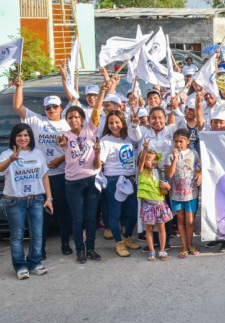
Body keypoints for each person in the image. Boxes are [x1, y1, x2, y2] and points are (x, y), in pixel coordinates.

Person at [12, 79, 71, 257]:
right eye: (48, 108)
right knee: (42, 215)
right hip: (41, 177)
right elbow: (18, 107)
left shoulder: (68, 123)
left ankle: (65, 244)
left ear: (61, 107)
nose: (52, 110)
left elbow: (76, 149)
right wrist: (19, 87)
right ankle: (41, 249)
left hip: (62, 175)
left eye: (54, 107)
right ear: (44, 109)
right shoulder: (37, 121)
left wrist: (61, 158)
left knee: (63, 213)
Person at [56, 77, 111, 264]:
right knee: (78, 218)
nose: (73, 120)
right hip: (73, 183)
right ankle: (80, 250)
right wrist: (62, 142)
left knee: (90, 218)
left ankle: (91, 250)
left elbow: (97, 110)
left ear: (82, 119)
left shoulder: (90, 130)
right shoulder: (65, 135)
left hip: (91, 180)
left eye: (76, 117)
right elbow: (61, 142)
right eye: (70, 117)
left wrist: (103, 89)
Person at [0, 124, 52, 279]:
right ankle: (20, 266)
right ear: (14, 137)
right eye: (19, 135)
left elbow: (44, 176)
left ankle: (35, 263)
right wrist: (10, 159)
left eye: (26, 135)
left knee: (37, 234)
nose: (23, 138)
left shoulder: (38, 153)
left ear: (30, 137)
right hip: (15, 202)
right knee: (17, 235)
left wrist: (49, 198)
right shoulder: (7, 154)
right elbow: (0, 169)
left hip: (36, 200)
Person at [95, 109, 140, 257]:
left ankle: (127, 237)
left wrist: (134, 124)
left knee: (133, 213)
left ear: (123, 123)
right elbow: (98, 164)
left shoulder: (129, 138)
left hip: (130, 179)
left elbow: (138, 137)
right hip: (113, 180)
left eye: (117, 122)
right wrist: (96, 153)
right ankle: (118, 242)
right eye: (111, 122)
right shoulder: (105, 141)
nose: (114, 125)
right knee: (115, 213)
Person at [165, 129, 202, 258]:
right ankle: (184, 246)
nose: (178, 144)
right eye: (176, 141)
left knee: (190, 221)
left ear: (188, 141)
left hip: (191, 194)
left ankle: (191, 244)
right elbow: (169, 174)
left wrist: (199, 174)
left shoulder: (194, 154)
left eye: (181, 141)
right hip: (176, 195)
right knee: (180, 220)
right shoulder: (170, 156)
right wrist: (175, 158)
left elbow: (199, 166)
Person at [137, 143, 173, 261]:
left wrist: (167, 187)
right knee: (149, 230)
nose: (153, 162)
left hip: (160, 204)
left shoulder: (159, 172)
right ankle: (152, 251)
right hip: (148, 205)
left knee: (162, 229)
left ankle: (162, 250)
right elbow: (141, 161)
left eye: (155, 159)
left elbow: (166, 188)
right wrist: (145, 149)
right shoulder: (142, 172)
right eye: (149, 159)